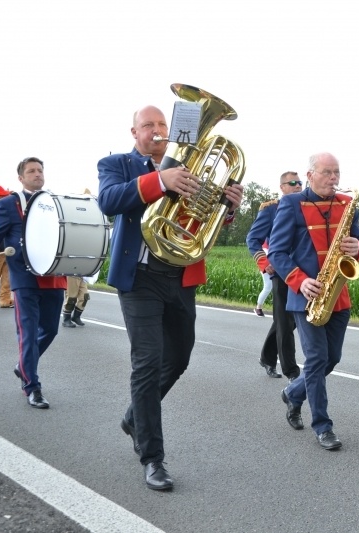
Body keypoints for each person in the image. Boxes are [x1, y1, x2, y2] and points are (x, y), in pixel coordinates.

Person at [98, 105, 244, 490]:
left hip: (181, 275)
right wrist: (161, 181)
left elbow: (205, 218)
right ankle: (153, 458)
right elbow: (109, 201)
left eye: (163, 124)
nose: (158, 130)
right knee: (146, 362)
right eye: (149, 125)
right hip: (139, 276)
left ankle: (135, 417)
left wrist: (227, 204)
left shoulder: (194, 166)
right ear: (135, 133)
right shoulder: (116, 164)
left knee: (178, 359)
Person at [267, 153, 359, 451]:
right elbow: (277, 253)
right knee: (316, 360)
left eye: (336, 172)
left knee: (331, 358)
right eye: (327, 172)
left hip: (338, 295)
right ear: (310, 175)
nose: (334, 178)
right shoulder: (291, 204)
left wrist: (358, 246)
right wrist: (300, 280)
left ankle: (293, 393)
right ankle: (323, 426)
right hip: (307, 296)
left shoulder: (348, 205)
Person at [0, 157, 66, 409]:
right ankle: (32, 386)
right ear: (20, 178)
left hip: (53, 276)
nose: (37, 174)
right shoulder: (8, 204)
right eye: (31, 171)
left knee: (50, 330)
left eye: (40, 170)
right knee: (27, 333)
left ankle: (23, 366)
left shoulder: (55, 202)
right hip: (24, 278)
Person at [246, 171, 303, 380]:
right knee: (285, 322)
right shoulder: (272, 210)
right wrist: (264, 261)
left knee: (287, 320)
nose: (298, 186)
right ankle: (292, 371)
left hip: (304, 272)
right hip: (281, 270)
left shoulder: (306, 207)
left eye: (300, 183)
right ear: (282, 187)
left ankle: (267, 358)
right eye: (293, 183)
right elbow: (253, 238)